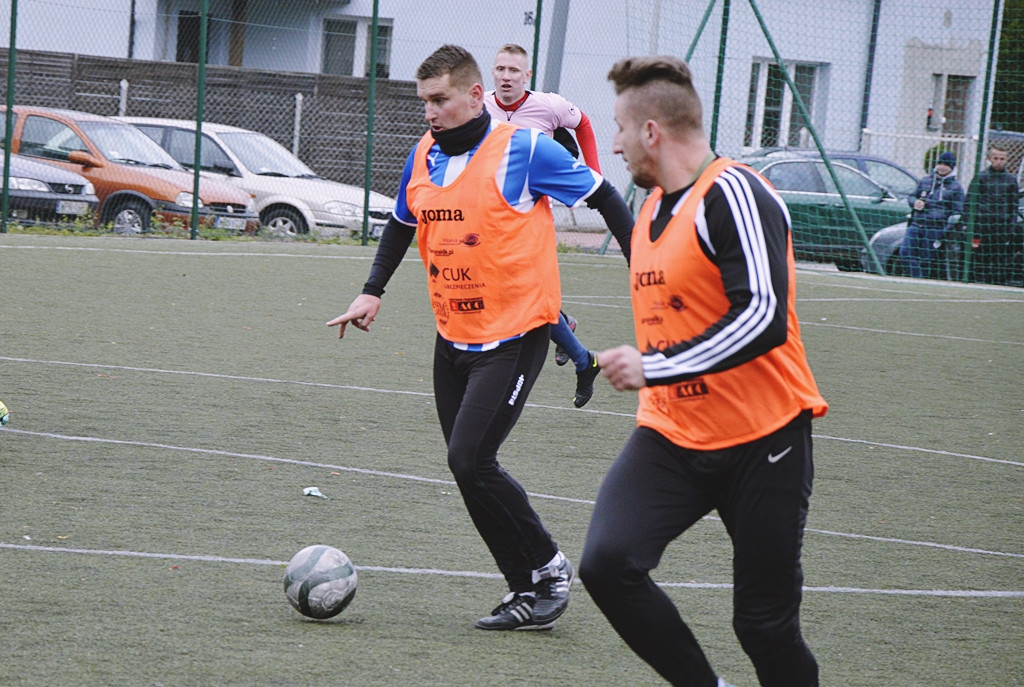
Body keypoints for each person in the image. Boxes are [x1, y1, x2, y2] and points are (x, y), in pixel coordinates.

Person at [327, 44, 634, 631]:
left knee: (470, 458)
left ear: (475, 96)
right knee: (466, 466)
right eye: (424, 102)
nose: (429, 113)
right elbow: (401, 221)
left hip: (517, 333)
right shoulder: (423, 154)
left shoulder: (524, 149)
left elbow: (604, 195)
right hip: (453, 336)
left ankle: (548, 569)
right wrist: (372, 290)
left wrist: (642, 267)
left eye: (439, 99)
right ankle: (527, 589)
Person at [578, 55, 829, 687]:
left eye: (620, 128)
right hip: (672, 435)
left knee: (764, 626)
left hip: (764, 441)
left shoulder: (735, 192)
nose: (614, 144)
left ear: (652, 132)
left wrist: (656, 365)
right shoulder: (650, 212)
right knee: (607, 563)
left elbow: (764, 314)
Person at [484, 43, 608, 406]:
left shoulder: (549, 105)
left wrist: (594, 174)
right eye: (500, 69)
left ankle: (582, 357)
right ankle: (579, 349)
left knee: (527, 301)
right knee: (518, 297)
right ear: (492, 72)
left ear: (527, 76)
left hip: (532, 217)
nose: (506, 76)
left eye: (514, 71)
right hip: (489, 218)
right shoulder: (480, 107)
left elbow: (583, 123)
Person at [901, 150, 965, 279]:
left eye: (946, 164)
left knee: (926, 259)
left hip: (935, 228)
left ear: (951, 168)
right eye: (940, 163)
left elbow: (958, 211)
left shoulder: (956, 187)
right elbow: (912, 196)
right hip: (917, 223)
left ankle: (921, 282)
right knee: (905, 252)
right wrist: (915, 202)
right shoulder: (925, 181)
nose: (942, 167)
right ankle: (916, 277)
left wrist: (944, 230)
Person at [967, 144, 1019, 284]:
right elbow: (970, 202)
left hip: (1000, 228)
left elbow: (1013, 205)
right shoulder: (981, 177)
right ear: (990, 159)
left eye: (1002, 158)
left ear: (1006, 160)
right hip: (981, 227)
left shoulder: (1011, 180)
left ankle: (994, 282)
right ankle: (977, 281)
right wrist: (970, 223)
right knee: (978, 256)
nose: (999, 161)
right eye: (996, 158)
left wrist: (1010, 226)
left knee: (997, 258)